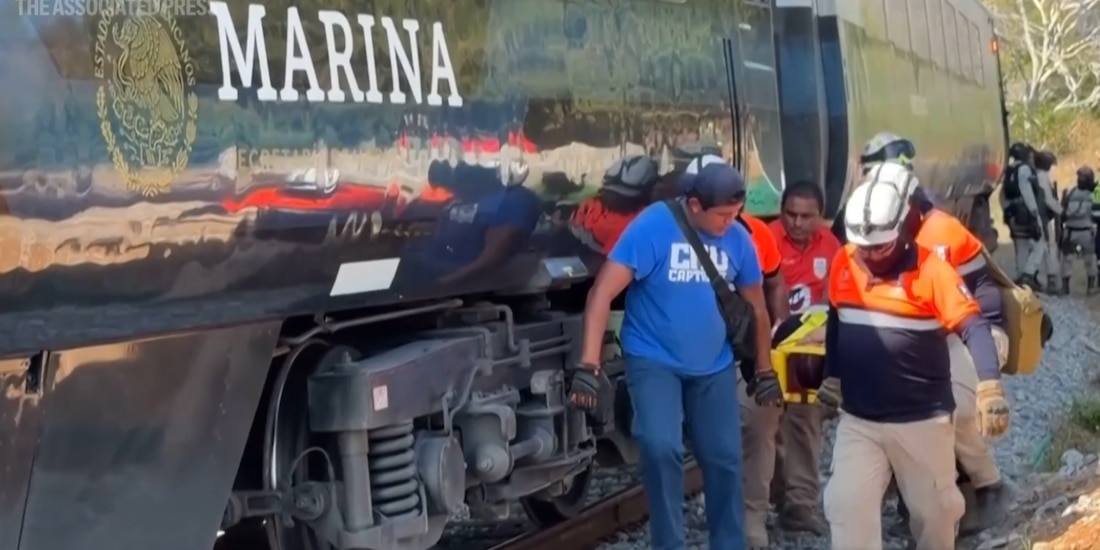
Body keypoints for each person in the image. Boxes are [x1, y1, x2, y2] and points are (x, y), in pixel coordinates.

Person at [572, 161, 781, 550]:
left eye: (735, 215)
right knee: (660, 446)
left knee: (723, 457)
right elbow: (601, 291)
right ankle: (668, 543)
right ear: (696, 205)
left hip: (714, 363)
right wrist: (589, 364)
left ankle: (729, 544)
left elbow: (757, 308)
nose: (729, 224)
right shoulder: (654, 227)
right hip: (654, 358)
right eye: (722, 216)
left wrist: (765, 370)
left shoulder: (737, 238)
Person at [819, 162, 1010, 550]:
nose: (869, 256)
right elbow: (837, 318)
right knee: (845, 504)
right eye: (862, 247)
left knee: (935, 516)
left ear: (903, 229)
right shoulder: (844, 262)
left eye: (880, 247)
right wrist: (833, 374)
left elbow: (973, 327)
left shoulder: (932, 271)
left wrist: (989, 385)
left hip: (922, 421)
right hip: (860, 420)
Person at [886, 167, 1012, 536]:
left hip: (971, 331)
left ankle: (987, 485)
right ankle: (918, 501)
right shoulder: (879, 234)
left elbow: (983, 299)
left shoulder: (941, 231)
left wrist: (988, 371)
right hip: (923, 337)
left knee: (950, 407)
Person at [735, 180, 837, 541]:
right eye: (790, 214)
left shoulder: (832, 246)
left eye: (806, 216)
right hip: (769, 347)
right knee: (765, 425)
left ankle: (800, 504)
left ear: (821, 217)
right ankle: (764, 507)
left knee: (806, 423)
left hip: (810, 350)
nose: (796, 222)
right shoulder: (764, 238)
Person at [1000, 142, 1046, 289]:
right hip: (1025, 212)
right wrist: (1034, 211)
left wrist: (1006, 210)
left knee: (1021, 246)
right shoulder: (1024, 169)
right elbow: (1026, 191)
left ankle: (1021, 278)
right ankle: (1028, 274)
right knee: (1040, 242)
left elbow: (1002, 194)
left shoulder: (1009, 170)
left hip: (1012, 212)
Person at [1059, 166, 1099, 294]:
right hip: (1081, 231)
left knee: (1082, 259)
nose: (1079, 179)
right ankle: (1085, 287)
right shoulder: (1091, 195)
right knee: (1076, 259)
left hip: (1077, 231)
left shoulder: (1073, 193)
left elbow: (1063, 212)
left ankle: (1075, 287)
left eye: (1082, 177)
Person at [1033, 150, 1063, 293]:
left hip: (1035, 217)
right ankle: (1051, 280)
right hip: (1042, 217)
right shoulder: (1042, 177)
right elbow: (1048, 199)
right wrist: (1061, 210)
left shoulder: (1033, 175)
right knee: (1050, 247)